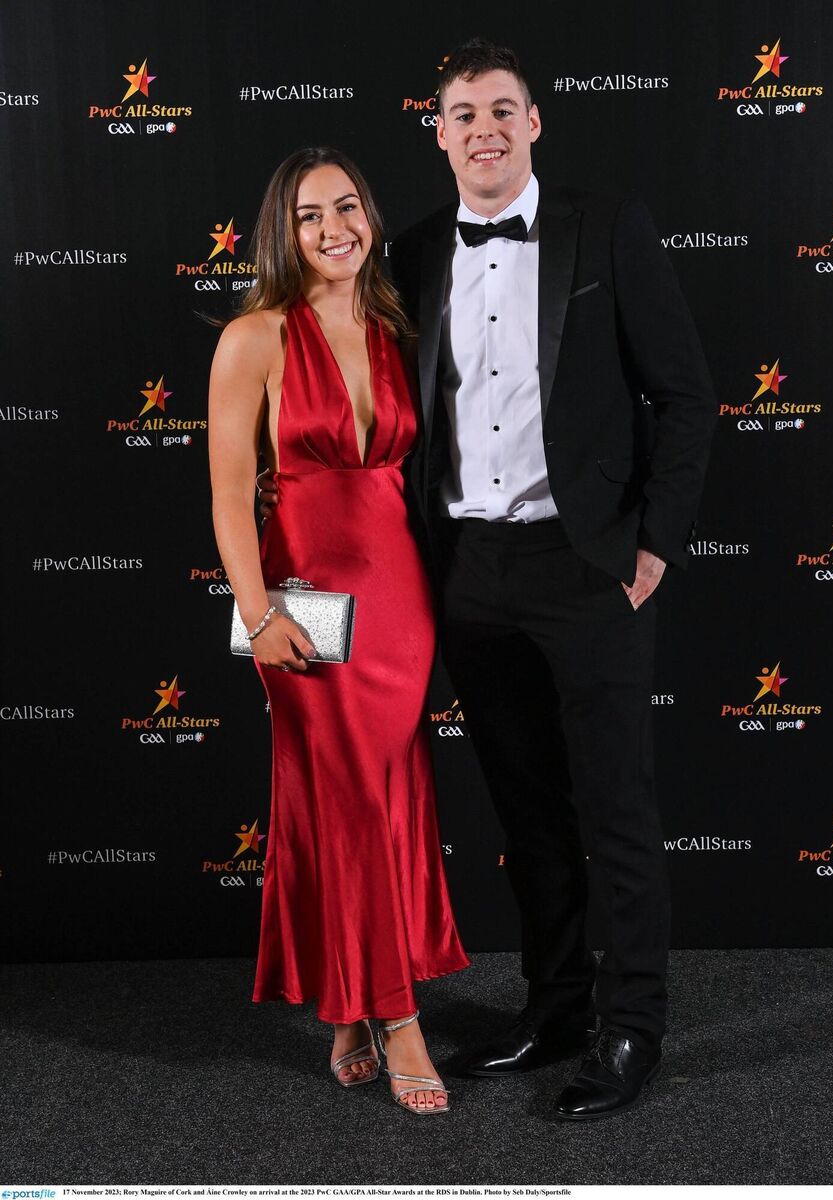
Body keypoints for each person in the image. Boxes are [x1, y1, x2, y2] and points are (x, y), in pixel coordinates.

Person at [261, 39, 716, 1120]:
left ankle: (629, 1029)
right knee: (526, 811)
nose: (483, 131)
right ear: (438, 133)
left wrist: (650, 550)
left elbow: (685, 397)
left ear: (534, 122)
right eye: (462, 115)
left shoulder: (607, 228)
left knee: (614, 808)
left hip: (587, 564)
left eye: (501, 111)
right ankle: (553, 1008)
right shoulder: (409, 254)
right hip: (463, 573)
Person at [208, 147, 469, 1117]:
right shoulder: (253, 339)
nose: (334, 230)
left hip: (399, 600)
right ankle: (398, 1015)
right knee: (351, 798)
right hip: (303, 606)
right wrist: (255, 611)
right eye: (311, 216)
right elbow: (231, 497)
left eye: (348, 209)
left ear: (369, 217)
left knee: (381, 800)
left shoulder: (393, 324)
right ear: (285, 231)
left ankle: (349, 1009)